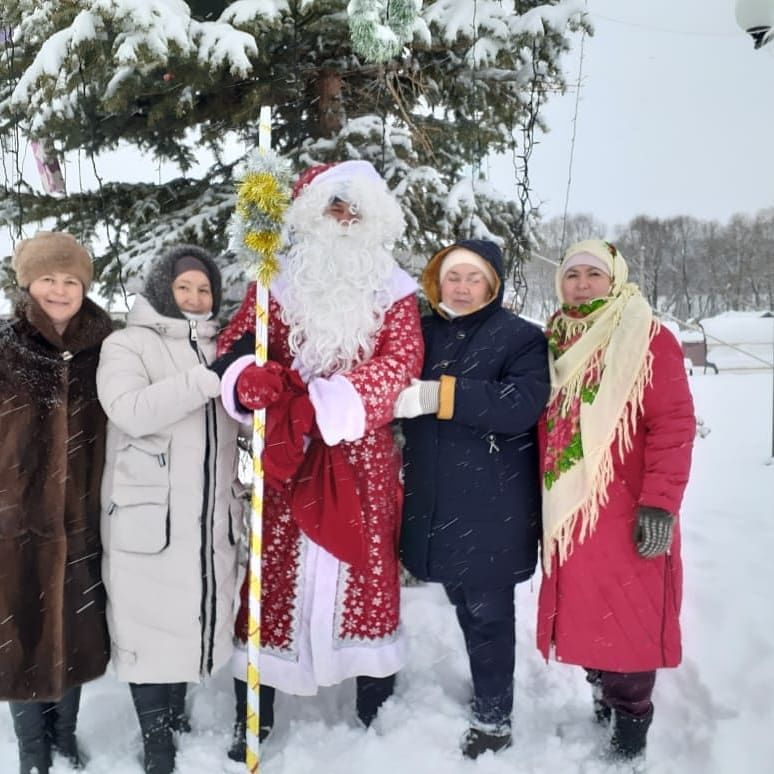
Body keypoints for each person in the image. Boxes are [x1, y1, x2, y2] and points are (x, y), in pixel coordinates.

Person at [217, 159, 424, 755]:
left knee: (366, 578)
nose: (343, 218)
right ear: (311, 214)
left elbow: (401, 361)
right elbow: (233, 350)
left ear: (372, 217)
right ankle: (251, 717)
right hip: (286, 455)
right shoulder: (274, 284)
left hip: (362, 463)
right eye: (333, 206)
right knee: (270, 582)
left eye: (353, 208)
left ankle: (375, 714)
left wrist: (334, 403)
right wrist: (243, 379)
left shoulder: (396, 291)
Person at [536, 239, 695, 765]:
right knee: (585, 615)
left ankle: (631, 721)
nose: (582, 283)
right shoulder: (555, 341)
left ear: (615, 278)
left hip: (626, 506)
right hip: (571, 510)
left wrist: (660, 503)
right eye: (573, 275)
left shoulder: (648, 338)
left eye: (593, 274)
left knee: (629, 618)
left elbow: (672, 425)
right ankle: (602, 692)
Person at [396, 239, 550, 759]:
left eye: (473, 279)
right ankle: (488, 690)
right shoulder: (419, 330)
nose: (461, 288)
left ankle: (493, 716)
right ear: (438, 280)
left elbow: (521, 406)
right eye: (453, 277)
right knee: (464, 601)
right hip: (436, 498)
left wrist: (441, 394)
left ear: (493, 285)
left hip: (490, 504)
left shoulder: (521, 338)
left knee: (488, 613)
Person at [97, 245, 242, 774]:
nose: (196, 297)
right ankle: (156, 739)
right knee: (147, 626)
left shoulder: (220, 346)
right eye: (185, 287)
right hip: (149, 518)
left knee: (191, 618)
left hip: (207, 518)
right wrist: (212, 379)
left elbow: (237, 423)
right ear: (163, 287)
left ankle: (175, 720)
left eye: (204, 289)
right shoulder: (127, 344)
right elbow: (130, 410)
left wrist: (252, 394)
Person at [0, 231, 113, 774]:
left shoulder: (106, 346)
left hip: (85, 514)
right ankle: (32, 749)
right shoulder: (6, 345)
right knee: (20, 630)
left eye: (71, 280)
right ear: (28, 283)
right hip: (14, 517)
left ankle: (65, 738)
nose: (60, 289)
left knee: (75, 626)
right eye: (48, 278)